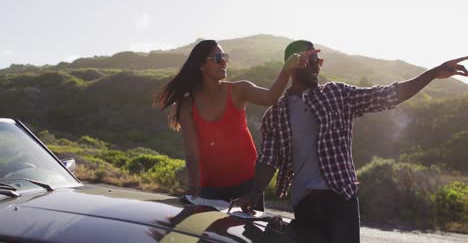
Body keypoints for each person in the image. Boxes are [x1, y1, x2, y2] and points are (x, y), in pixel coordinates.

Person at [240, 40, 468, 242]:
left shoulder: (337, 94)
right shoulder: (276, 113)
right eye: (310, 59)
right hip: (304, 203)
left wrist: (433, 73)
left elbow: (388, 95)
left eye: (318, 60)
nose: (317, 65)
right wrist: (253, 194)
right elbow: (268, 159)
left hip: (341, 199)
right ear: (292, 63)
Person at [154, 40, 317, 210]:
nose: (224, 61)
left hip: (247, 187)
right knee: (211, 236)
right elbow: (192, 153)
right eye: (217, 57)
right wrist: (195, 188)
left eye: (225, 57)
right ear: (201, 66)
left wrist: (287, 69)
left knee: (245, 236)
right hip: (210, 189)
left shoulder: (239, 90)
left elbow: (270, 97)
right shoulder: (187, 106)